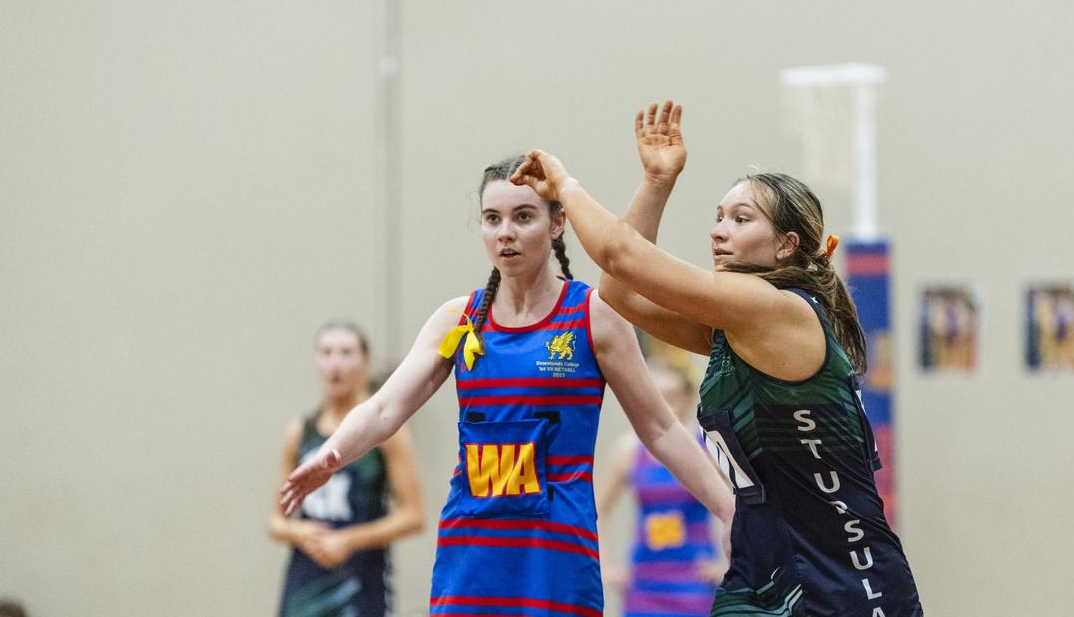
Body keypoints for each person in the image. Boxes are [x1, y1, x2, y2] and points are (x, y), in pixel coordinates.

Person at [510, 101, 923, 616]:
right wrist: (657, 182)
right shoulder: (738, 329)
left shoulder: (777, 311)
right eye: (718, 217)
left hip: (846, 582)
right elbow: (619, 292)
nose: (718, 230)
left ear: (786, 245)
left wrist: (565, 186)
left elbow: (620, 256)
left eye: (741, 219)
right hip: (761, 573)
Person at [280, 157, 734, 617]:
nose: (505, 232)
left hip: (556, 555)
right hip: (471, 551)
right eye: (492, 219)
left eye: (523, 216)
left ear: (558, 223)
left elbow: (660, 428)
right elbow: (383, 409)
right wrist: (333, 453)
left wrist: (731, 511)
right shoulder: (458, 319)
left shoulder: (593, 316)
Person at [269, 323, 426, 617]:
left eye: (346, 353)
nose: (335, 364)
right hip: (305, 581)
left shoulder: (388, 435)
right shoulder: (300, 432)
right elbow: (275, 522)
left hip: (360, 581)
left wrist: (349, 540)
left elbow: (414, 517)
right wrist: (299, 532)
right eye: (326, 353)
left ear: (365, 363)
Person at [596, 346, 725, 617]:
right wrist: (606, 565)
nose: (666, 406)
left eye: (673, 397)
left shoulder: (709, 450)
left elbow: (745, 504)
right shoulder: (629, 450)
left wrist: (730, 564)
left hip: (695, 580)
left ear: (689, 399)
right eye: (658, 397)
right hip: (644, 580)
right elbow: (598, 511)